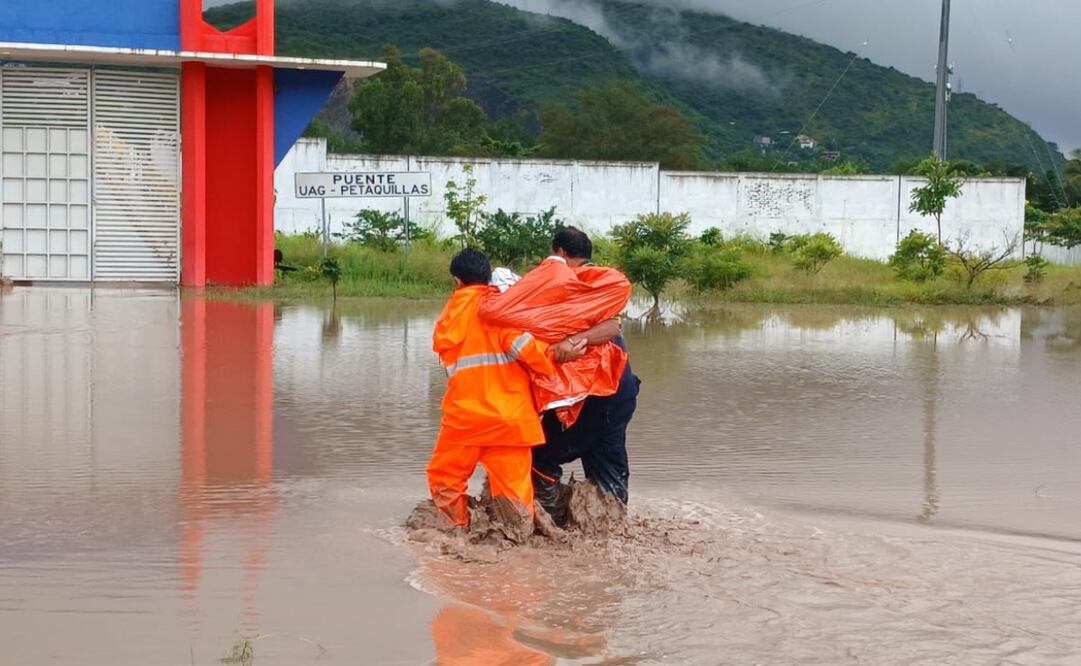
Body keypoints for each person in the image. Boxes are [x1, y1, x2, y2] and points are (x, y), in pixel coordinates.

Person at [480, 228, 641, 525]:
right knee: (607, 464)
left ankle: (552, 526)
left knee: (539, 456)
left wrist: (570, 342)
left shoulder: (571, 289)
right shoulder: (595, 292)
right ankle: (613, 528)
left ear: (560, 254)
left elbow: (611, 328)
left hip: (594, 397)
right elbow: (613, 327)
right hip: (618, 393)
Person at [427, 248, 585, 537]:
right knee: (513, 493)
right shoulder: (501, 310)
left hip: (464, 422)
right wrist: (561, 352)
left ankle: (454, 531)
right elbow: (533, 354)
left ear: (457, 282)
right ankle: (518, 545)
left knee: (446, 478)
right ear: (487, 279)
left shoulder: (447, 321)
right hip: (509, 421)